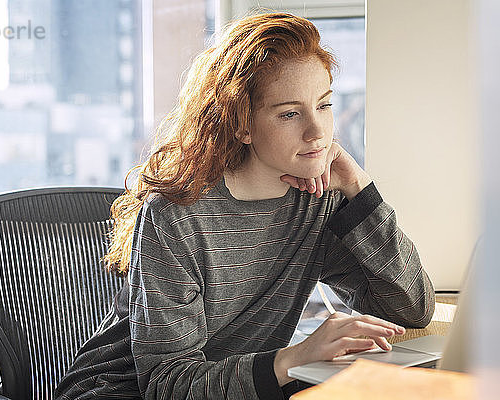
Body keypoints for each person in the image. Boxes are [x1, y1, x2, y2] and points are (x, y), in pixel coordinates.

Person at [54, 12, 435, 400]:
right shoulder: (176, 217)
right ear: (243, 125)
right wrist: (294, 358)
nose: (317, 131)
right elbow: (166, 384)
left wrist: (360, 190)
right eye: (289, 113)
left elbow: (410, 309)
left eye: (323, 105)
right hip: (118, 392)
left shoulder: (319, 201)